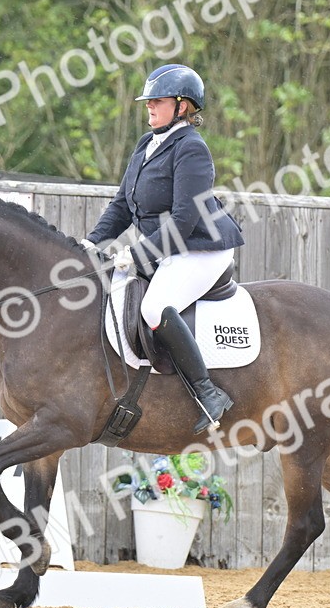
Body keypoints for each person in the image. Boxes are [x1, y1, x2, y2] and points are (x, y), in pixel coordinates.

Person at [81, 63, 244, 435]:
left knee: (154, 306)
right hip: (168, 249)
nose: (150, 107)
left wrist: (137, 255)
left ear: (182, 106)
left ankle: (209, 393)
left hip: (202, 249)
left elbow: (186, 219)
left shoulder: (192, 149)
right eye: (148, 101)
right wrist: (92, 242)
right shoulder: (146, 144)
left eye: (157, 101)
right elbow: (122, 204)